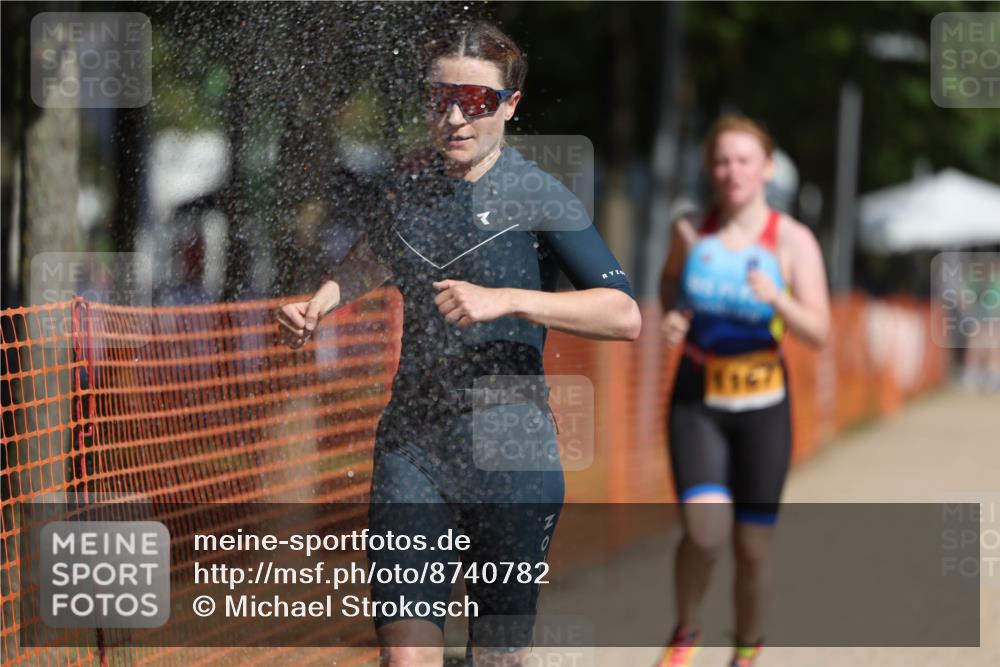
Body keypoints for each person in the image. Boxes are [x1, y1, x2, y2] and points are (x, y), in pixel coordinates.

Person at [277, 20, 640, 667]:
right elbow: (378, 255)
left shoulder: (539, 195)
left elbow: (623, 313)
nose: (455, 116)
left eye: (476, 101)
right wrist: (325, 299)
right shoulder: (408, 189)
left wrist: (508, 300)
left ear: (510, 106)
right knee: (406, 656)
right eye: (440, 97)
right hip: (413, 447)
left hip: (512, 448)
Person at [657, 115, 831, 667]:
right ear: (711, 168)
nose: (732, 171)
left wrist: (776, 298)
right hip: (698, 400)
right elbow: (669, 284)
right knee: (705, 535)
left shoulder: (793, 239)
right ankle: (685, 633)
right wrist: (674, 317)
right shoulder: (690, 230)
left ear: (768, 168)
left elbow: (819, 331)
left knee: (752, 549)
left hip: (764, 405)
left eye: (744, 160)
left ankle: (747, 650)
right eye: (722, 160)